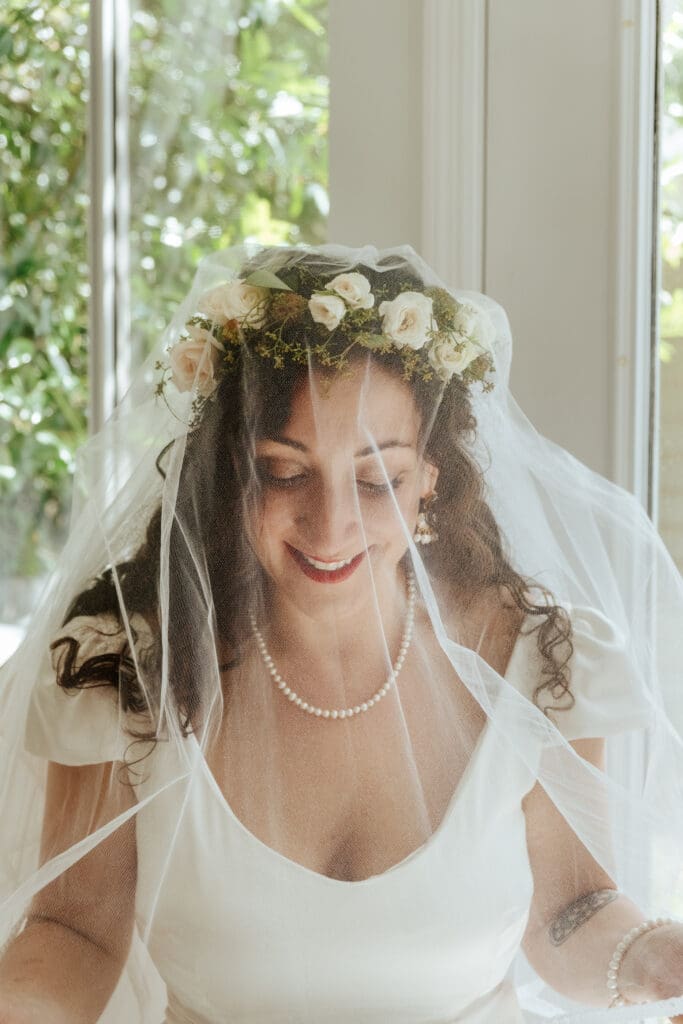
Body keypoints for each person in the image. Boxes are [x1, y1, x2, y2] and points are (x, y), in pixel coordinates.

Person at [0, 242, 682, 1024]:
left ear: (428, 478)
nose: (332, 525)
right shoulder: (122, 671)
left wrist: (661, 962)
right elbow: (73, 931)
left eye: (375, 478)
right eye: (285, 471)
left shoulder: (538, 662)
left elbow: (574, 909)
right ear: (230, 474)